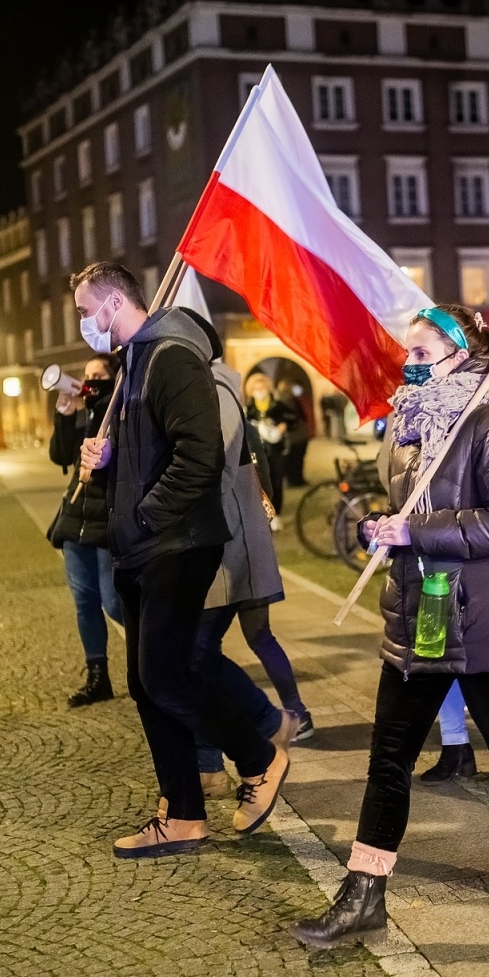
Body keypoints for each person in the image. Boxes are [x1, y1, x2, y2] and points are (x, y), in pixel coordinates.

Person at [291, 304, 489, 948]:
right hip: (416, 614)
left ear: (463, 356)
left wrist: (416, 530)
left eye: (424, 354)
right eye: (411, 353)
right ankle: (364, 892)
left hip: (479, 617)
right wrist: (382, 525)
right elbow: (405, 506)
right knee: (388, 758)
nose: (411, 363)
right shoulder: (410, 425)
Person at [75, 261, 288, 859]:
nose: (84, 323)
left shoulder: (170, 356)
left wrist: (147, 514)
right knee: (149, 686)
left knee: (168, 676)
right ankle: (183, 814)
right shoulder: (134, 362)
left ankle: (259, 756)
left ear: (115, 304)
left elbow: (200, 456)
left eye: (87, 311)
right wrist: (111, 456)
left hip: (177, 543)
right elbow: (155, 451)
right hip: (143, 547)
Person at [185, 308, 304, 797]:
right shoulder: (208, 394)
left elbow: (243, 474)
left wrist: (263, 521)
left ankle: (273, 725)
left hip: (230, 549)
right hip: (225, 548)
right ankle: (215, 762)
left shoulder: (216, 397)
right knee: (193, 656)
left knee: (200, 653)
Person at [47, 353, 125, 708]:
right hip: (75, 519)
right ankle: (98, 676)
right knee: (84, 602)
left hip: (105, 521)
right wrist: (65, 415)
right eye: (86, 375)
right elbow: (62, 456)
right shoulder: (89, 413)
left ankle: (154, 656)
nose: (90, 381)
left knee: (113, 602)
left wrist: (98, 404)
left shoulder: (116, 410)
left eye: (99, 375)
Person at [244, 373, 297, 516]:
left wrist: (283, 425)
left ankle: (277, 512)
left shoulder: (278, 405)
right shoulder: (248, 409)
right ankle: (264, 511)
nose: (259, 390)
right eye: (256, 387)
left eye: (262, 387)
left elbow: (292, 418)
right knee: (260, 481)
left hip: (276, 449)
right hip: (257, 450)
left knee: (276, 480)